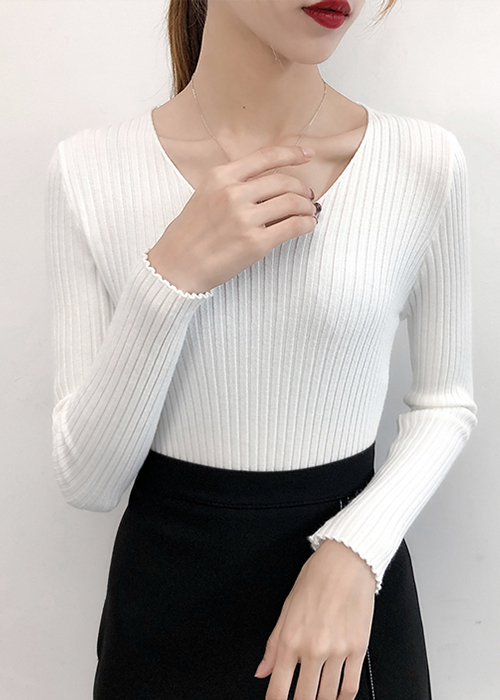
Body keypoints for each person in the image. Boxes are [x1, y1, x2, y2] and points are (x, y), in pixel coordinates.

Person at [44, 1, 478, 699]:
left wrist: (356, 549)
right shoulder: (87, 170)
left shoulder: (422, 162)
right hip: (164, 619)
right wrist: (171, 275)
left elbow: (444, 404)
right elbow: (88, 481)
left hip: (347, 619)